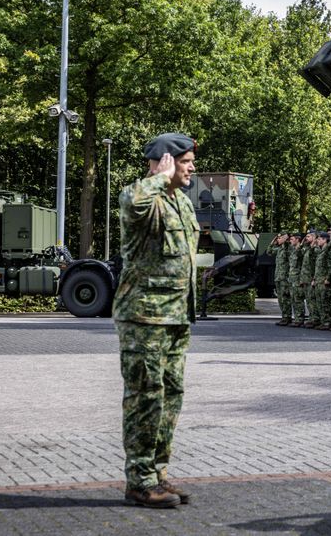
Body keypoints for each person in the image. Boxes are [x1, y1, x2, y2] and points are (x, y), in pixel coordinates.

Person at [114, 132, 199, 509]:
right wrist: (159, 178)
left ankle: (159, 472)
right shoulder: (142, 197)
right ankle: (140, 480)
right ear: (165, 162)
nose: (192, 168)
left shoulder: (181, 202)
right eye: (185, 162)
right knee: (145, 397)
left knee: (170, 396)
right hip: (145, 316)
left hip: (176, 317)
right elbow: (132, 204)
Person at [270, 233, 292, 326]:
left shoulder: (288, 248)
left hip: (284, 278)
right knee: (280, 299)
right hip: (278, 277)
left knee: (285, 298)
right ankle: (284, 316)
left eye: (280, 238)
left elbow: (287, 246)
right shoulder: (279, 249)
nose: (278, 239)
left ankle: (287, 317)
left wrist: (285, 239)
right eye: (278, 238)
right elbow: (269, 251)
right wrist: (273, 241)